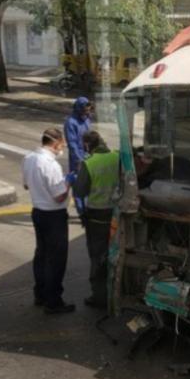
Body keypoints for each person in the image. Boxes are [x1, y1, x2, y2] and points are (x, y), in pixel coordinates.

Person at [21, 127, 75, 314]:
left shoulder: (28, 158)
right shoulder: (51, 165)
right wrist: (68, 181)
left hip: (38, 212)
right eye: (62, 144)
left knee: (42, 255)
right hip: (54, 216)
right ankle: (53, 301)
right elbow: (59, 196)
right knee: (56, 260)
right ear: (55, 143)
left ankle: (40, 294)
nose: (63, 148)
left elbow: (26, 185)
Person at [72, 131, 119, 310]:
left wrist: (76, 178)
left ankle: (100, 297)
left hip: (97, 218)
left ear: (87, 146)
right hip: (116, 214)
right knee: (114, 254)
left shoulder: (89, 163)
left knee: (97, 256)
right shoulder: (117, 157)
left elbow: (80, 192)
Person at [63, 97, 92, 217]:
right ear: (79, 108)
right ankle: (82, 212)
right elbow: (72, 143)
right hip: (77, 158)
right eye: (86, 109)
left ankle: (88, 208)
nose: (88, 112)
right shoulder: (70, 122)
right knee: (78, 186)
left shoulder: (87, 119)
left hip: (89, 155)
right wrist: (79, 160)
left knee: (89, 184)